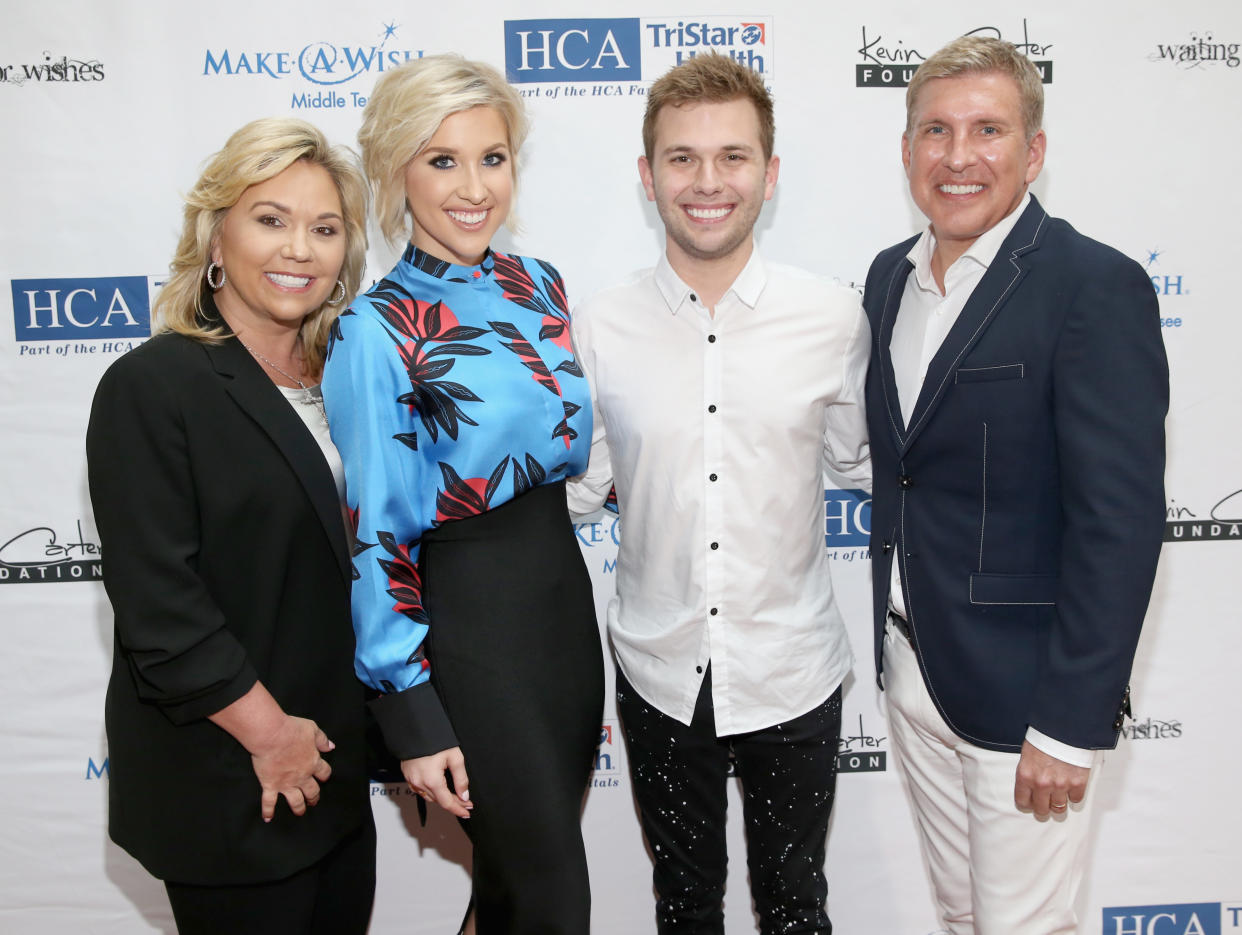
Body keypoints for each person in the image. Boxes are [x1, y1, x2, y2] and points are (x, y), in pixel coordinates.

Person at [863, 36, 1168, 934]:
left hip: (1027, 697)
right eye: (936, 131)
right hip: (917, 673)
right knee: (964, 919)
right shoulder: (890, 278)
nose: (959, 157)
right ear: (908, 149)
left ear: (1033, 151)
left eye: (988, 130)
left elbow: (1119, 522)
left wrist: (1071, 721)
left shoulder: (1093, 285)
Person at [568, 54, 870, 933]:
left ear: (769, 176)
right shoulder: (599, 324)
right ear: (647, 174)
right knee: (685, 907)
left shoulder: (831, 318)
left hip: (794, 667)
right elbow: (577, 489)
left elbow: (863, 459)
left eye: (733, 157)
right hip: (658, 670)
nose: (708, 181)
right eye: (682, 158)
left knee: (796, 907)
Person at [321, 55, 603, 933]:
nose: (474, 186)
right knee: (553, 899)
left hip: (560, 609)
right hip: (470, 629)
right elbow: (377, 529)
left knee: (513, 893)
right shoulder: (375, 328)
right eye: (442, 160)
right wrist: (408, 703)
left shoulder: (540, 284)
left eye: (493, 157)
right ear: (397, 172)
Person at [86, 118, 374, 934]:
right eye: (270, 219)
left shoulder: (344, 376)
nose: (300, 249)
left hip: (332, 764)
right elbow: (158, 602)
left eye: (325, 228)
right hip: (232, 771)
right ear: (217, 234)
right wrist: (270, 734)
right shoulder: (153, 384)